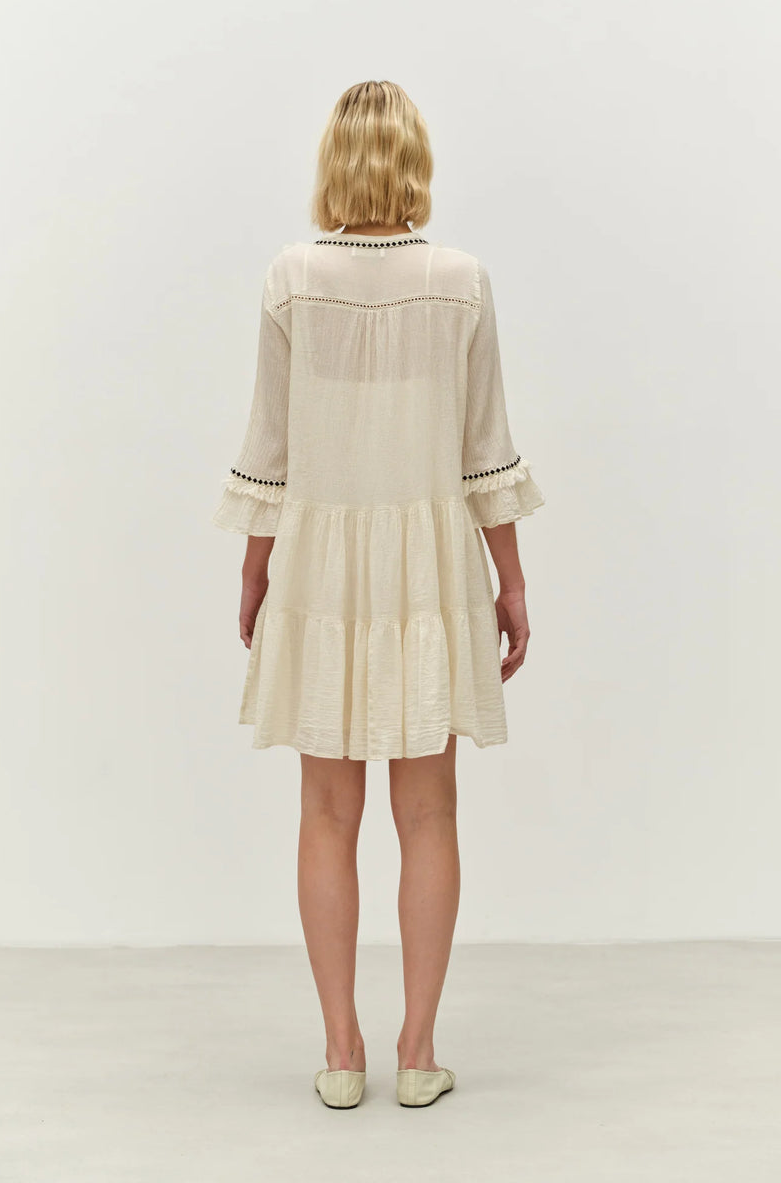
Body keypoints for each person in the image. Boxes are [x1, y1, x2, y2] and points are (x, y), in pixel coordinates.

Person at [211, 80, 546, 1109]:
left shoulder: (291, 278)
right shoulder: (461, 281)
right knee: (429, 811)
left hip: (318, 564)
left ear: (334, 162)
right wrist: (511, 580)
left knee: (325, 809)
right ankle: (418, 1051)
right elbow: (483, 449)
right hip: (430, 569)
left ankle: (340, 1052)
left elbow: (270, 447)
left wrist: (256, 567)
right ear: (413, 162)